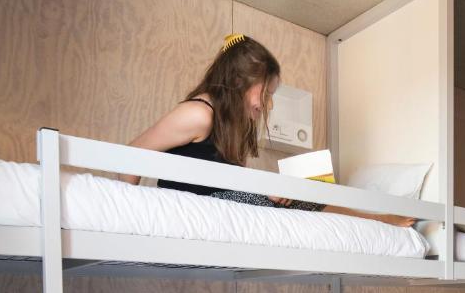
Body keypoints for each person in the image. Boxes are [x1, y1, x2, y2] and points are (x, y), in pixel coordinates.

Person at [121, 33, 414, 228]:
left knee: (304, 193)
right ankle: (382, 220)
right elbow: (133, 153)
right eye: (267, 92)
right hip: (193, 208)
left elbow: (225, 184)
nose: (268, 104)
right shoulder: (199, 114)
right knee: (302, 197)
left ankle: (379, 219)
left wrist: (271, 191)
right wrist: (127, 215)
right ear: (241, 80)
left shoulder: (229, 124)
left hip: (217, 205)